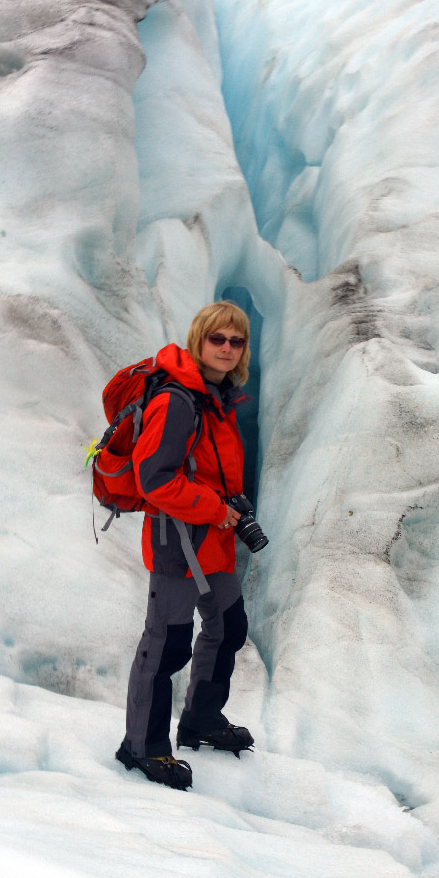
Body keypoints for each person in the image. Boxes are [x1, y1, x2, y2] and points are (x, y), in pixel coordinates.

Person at [115, 301, 255, 790]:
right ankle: (143, 746)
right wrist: (214, 508)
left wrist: (228, 507)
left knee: (229, 625)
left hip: (210, 538)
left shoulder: (214, 397)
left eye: (236, 341)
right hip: (177, 540)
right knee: (167, 643)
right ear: (199, 340)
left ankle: (200, 719)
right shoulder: (177, 401)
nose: (227, 348)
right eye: (218, 339)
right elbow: (153, 480)